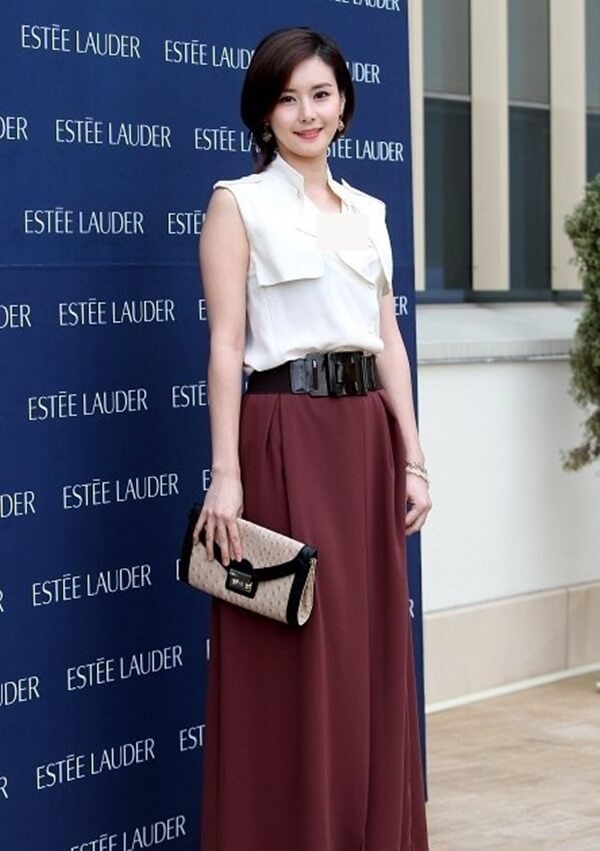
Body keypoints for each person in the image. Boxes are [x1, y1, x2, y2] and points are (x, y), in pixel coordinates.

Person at [192, 25, 432, 851]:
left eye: (320, 94)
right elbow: (227, 344)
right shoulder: (238, 203)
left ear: (344, 105)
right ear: (264, 113)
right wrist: (227, 472)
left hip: (364, 441)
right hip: (283, 436)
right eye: (287, 98)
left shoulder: (370, 213)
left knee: (367, 653)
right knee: (294, 652)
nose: (307, 113)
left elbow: (387, 338)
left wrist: (413, 457)